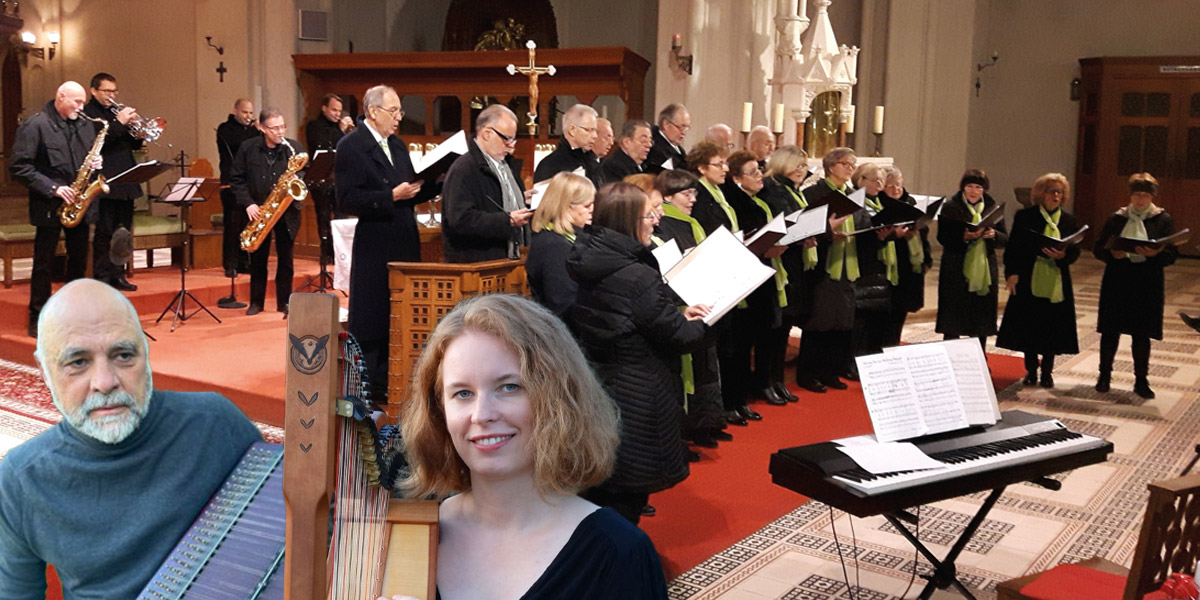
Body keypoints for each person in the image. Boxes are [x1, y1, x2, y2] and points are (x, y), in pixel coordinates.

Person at [385, 294, 667, 600]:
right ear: (439, 413)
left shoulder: (620, 554)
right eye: (463, 393)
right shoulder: (406, 535)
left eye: (509, 387)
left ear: (558, 400)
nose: (481, 415)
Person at [0, 279, 262, 599]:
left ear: (146, 353)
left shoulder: (216, 426)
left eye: (123, 355)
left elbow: (297, 535)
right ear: (44, 371)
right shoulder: (22, 479)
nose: (105, 382)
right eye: (78, 362)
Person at [567, 182, 712, 524]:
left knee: (601, 492)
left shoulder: (589, 259)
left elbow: (632, 320)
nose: (655, 223)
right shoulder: (636, 275)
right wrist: (710, 319)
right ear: (628, 220)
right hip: (638, 393)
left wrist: (677, 315)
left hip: (602, 385)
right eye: (649, 215)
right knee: (625, 501)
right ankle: (618, 572)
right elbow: (678, 337)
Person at [335, 84, 439, 404]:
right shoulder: (351, 145)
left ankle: (395, 377)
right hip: (376, 240)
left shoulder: (396, 144)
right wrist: (389, 196)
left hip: (403, 235)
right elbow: (346, 198)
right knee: (374, 312)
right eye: (393, 111)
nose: (398, 118)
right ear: (373, 112)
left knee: (401, 308)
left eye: (399, 111)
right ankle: (369, 385)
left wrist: (434, 181)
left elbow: (409, 187)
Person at [10, 81, 102, 338]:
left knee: (79, 259)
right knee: (44, 263)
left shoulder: (84, 125)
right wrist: (53, 188)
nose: (81, 107)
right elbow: (19, 167)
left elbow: (87, 161)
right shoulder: (35, 125)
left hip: (79, 203)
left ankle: (73, 316)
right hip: (49, 203)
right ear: (60, 97)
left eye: (83, 101)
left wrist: (96, 163)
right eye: (77, 101)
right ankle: (38, 318)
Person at [653, 169, 729, 449]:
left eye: (695, 192)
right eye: (686, 193)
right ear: (668, 197)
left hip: (700, 296)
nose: (693, 198)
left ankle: (707, 423)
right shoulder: (666, 224)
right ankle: (690, 429)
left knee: (707, 361)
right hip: (681, 301)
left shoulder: (690, 222)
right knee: (692, 367)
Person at [1093, 172, 1177, 399]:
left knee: (1142, 333)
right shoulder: (1117, 218)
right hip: (1118, 278)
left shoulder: (1162, 219)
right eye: (1137, 195)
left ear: (1152, 197)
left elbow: (1171, 253)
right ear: (1130, 195)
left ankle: (1141, 381)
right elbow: (1098, 247)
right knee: (1110, 331)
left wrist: (1153, 254)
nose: (1141, 200)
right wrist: (1113, 254)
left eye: (1146, 195)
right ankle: (1104, 376)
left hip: (1147, 281)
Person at [794, 147, 870, 393]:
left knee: (841, 320)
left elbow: (863, 222)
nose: (850, 168)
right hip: (824, 263)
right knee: (820, 321)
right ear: (831, 166)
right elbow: (806, 227)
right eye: (845, 163)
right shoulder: (814, 193)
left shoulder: (853, 193)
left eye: (853, 164)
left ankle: (832, 370)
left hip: (848, 263)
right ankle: (809, 373)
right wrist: (828, 232)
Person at [997, 173, 1081, 388]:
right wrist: (1012, 273)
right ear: (1041, 194)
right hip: (1029, 275)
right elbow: (1013, 247)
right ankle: (1031, 370)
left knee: (1052, 326)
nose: (1056, 195)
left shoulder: (1068, 220)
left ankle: (1047, 372)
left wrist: (1064, 256)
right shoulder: (1026, 216)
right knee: (1029, 325)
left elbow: (1074, 251)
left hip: (1056, 278)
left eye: (1059, 192)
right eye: (1051, 191)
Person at [726, 151, 795, 406]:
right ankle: (747, 391)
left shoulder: (761, 200)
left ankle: (767, 382)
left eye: (759, 170)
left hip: (768, 271)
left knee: (769, 332)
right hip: (749, 276)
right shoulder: (737, 204)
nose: (760, 176)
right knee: (746, 339)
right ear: (736, 178)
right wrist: (766, 248)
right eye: (753, 172)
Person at [228, 107, 305, 316]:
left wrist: (297, 181)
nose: (280, 132)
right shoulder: (247, 148)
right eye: (274, 128)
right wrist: (248, 203)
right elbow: (236, 179)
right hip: (259, 210)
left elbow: (302, 174)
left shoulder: (294, 148)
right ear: (261, 128)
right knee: (258, 260)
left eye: (282, 127)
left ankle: (285, 303)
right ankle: (256, 302)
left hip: (287, 211)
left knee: (286, 260)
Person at [760, 145, 819, 391]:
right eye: (797, 164)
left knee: (784, 327)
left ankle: (777, 380)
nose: (801, 170)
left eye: (804, 166)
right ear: (783, 163)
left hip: (793, 262)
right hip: (779, 263)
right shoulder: (775, 190)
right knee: (774, 328)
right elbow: (781, 226)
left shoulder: (793, 191)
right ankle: (767, 381)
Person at [442, 104, 533, 262]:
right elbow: (460, 220)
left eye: (514, 139)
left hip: (508, 260)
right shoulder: (464, 169)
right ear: (487, 133)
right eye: (507, 139)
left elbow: (494, 200)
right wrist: (508, 220)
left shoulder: (506, 165)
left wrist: (519, 198)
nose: (512, 145)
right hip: (478, 263)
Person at [83, 72, 143, 293]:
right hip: (105, 179)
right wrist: (119, 123)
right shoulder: (88, 114)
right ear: (94, 91)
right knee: (105, 231)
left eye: (114, 91)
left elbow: (134, 146)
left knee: (124, 233)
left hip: (126, 179)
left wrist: (138, 130)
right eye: (107, 91)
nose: (111, 96)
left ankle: (119, 274)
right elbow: (99, 142)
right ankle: (102, 277)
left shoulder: (117, 112)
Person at [936, 169, 1008, 350]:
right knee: (954, 314)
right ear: (963, 187)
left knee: (981, 315)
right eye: (969, 186)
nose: (973, 191)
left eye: (978, 187)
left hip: (984, 267)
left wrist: (994, 234)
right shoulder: (951, 206)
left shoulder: (992, 207)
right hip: (956, 266)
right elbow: (942, 237)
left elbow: (1005, 238)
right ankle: (951, 356)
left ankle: (979, 357)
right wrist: (964, 237)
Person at [846, 163, 894, 379]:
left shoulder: (878, 202)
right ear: (861, 180)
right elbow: (857, 233)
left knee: (874, 316)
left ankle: (869, 358)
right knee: (860, 318)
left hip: (876, 262)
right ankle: (852, 360)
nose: (880, 184)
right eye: (875, 180)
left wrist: (885, 236)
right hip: (859, 263)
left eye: (882, 180)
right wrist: (876, 236)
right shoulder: (855, 202)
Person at [526, 172, 594, 319]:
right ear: (566, 207)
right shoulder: (554, 246)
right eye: (587, 205)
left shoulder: (564, 238)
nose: (593, 210)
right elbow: (563, 303)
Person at [878, 165, 932, 347]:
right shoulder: (879, 205)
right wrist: (895, 234)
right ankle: (880, 348)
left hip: (910, 266)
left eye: (898, 184)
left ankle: (893, 347)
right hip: (889, 265)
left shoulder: (911, 203)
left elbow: (924, 232)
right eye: (890, 185)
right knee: (885, 313)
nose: (896, 189)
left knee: (900, 311)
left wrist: (927, 260)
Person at [305, 93, 354, 264]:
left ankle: (340, 253)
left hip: (339, 181)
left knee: (341, 218)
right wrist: (340, 131)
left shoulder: (341, 129)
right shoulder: (314, 125)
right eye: (334, 110)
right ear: (324, 108)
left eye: (339, 111)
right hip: (321, 182)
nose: (337, 114)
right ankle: (326, 254)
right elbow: (323, 145)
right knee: (323, 218)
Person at [216, 98, 261, 283]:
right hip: (230, 184)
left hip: (249, 184)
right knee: (232, 225)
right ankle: (231, 264)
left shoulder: (252, 131)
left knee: (247, 225)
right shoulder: (225, 128)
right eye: (245, 112)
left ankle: (244, 261)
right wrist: (256, 131)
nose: (248, 117)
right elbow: (239, 145)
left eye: (251, 113)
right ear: (235, 110)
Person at [533, 103, 602, 187]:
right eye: (589, 130)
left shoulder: (592, 161)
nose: (595, 136)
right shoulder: (550, 165)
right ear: (572, 130)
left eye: (595, 130)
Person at [687, 141, 736, 235]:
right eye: (719, 165)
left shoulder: (717, 191)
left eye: (725, 164)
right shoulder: (698, 196)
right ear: (702, 168)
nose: (726, 169)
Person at [600, 119, 653, 183]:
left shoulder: (645, 166)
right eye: (643, 141)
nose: (649, 145)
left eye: (650, 141)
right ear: (626, 142)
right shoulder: (614, 167)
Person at [646, 103, 690, 173]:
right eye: (681, 127)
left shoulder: (680, 151)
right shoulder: (654, 149)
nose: (684, 132)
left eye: (686, 128)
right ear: (666, 124)